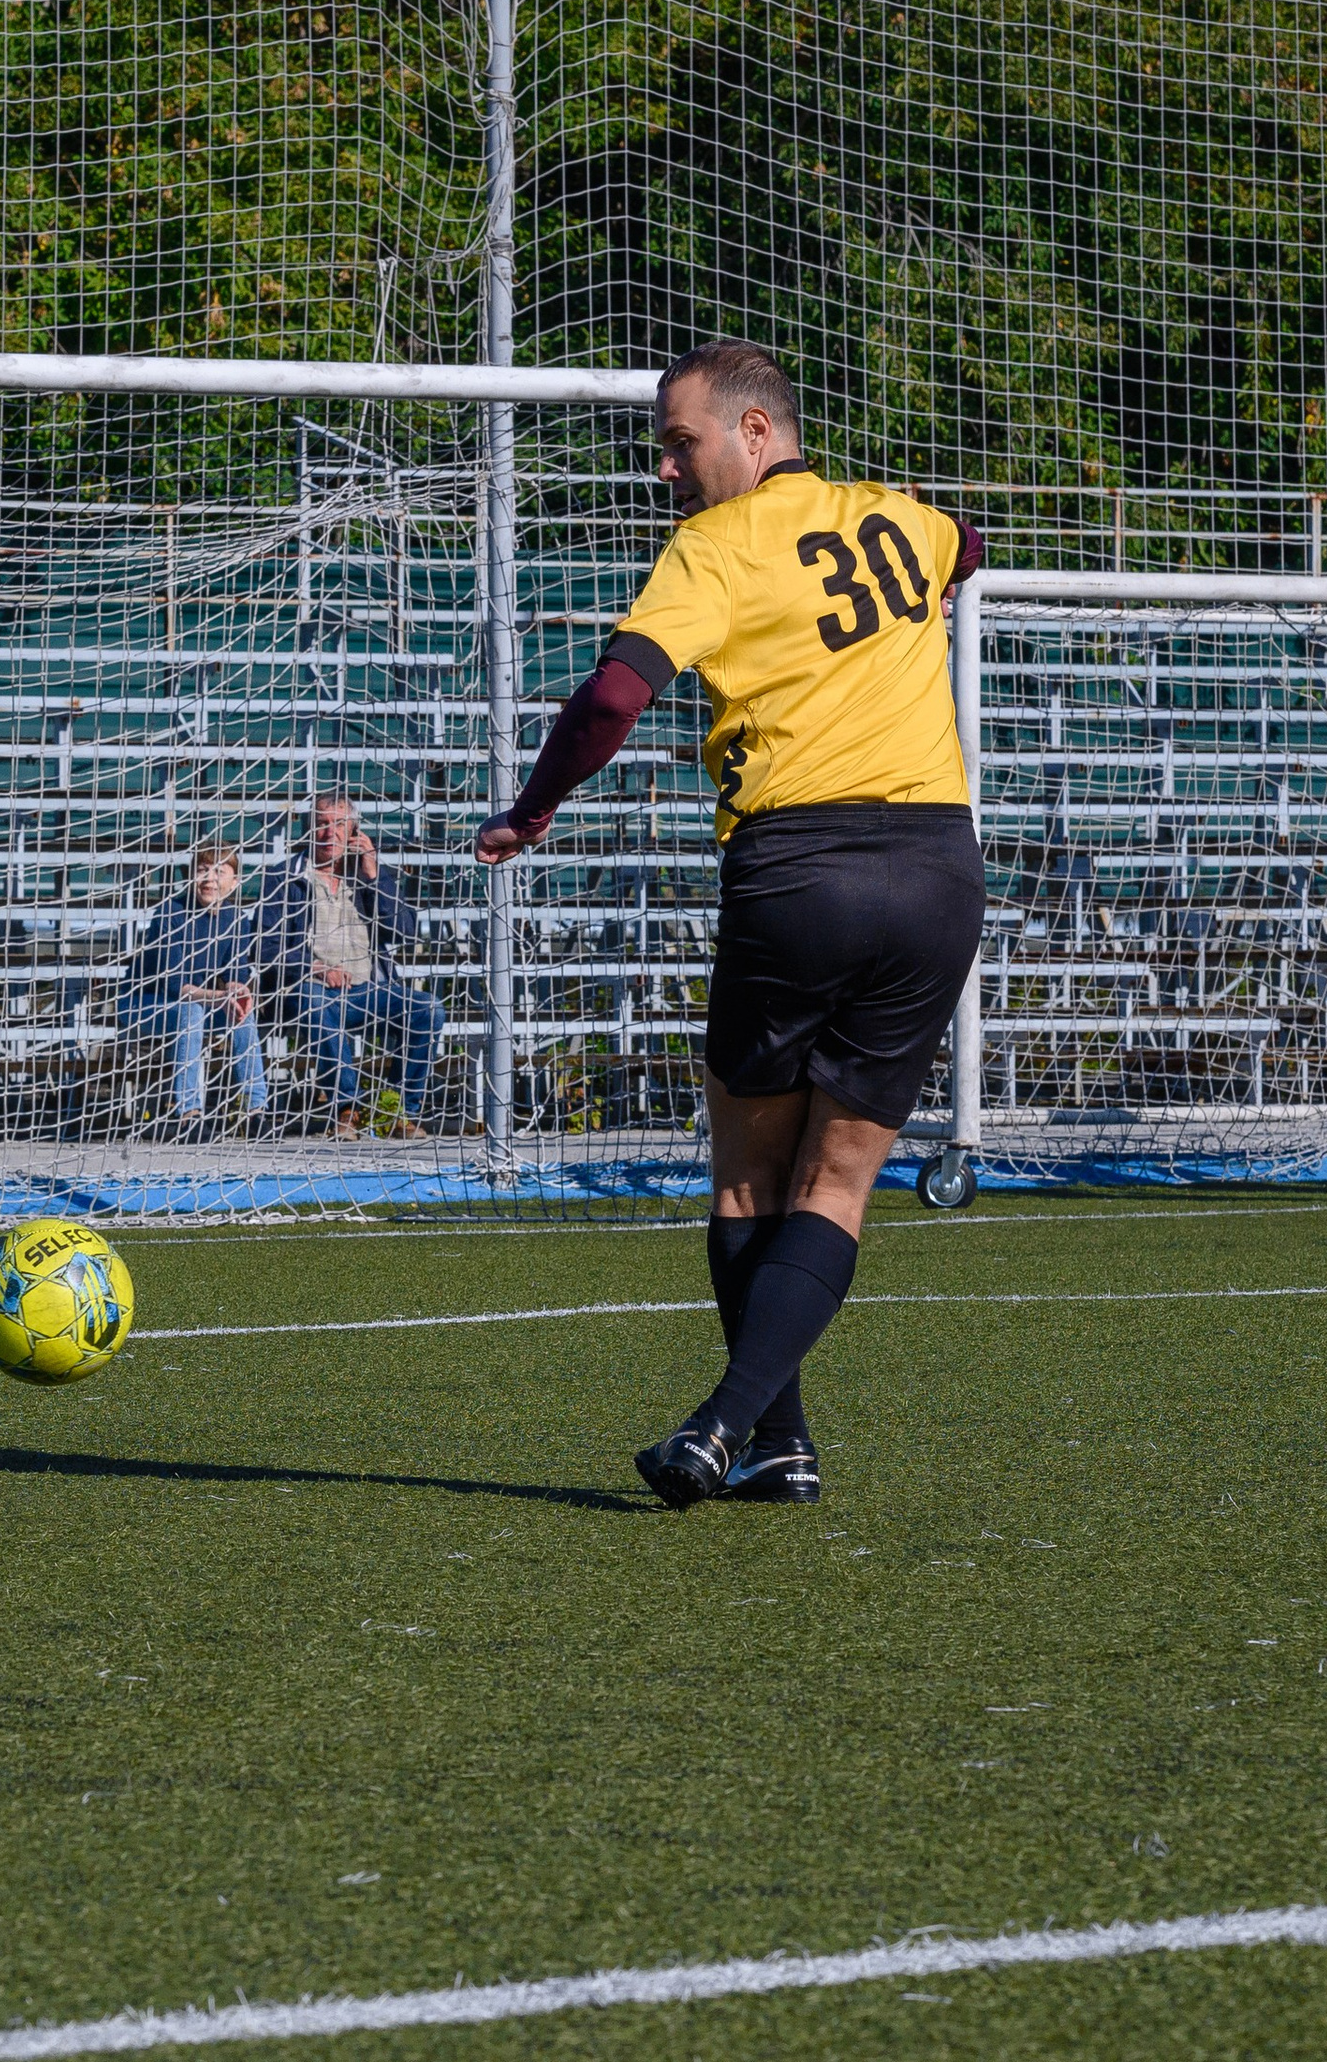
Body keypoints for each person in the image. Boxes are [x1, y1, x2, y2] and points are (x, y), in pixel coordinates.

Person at [474, 336, 985, 1509]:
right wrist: (944, 574)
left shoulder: (713, 545)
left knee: (750, 1182)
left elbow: (613, 694)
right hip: (937, 874)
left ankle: (727, 1423)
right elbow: (965, 539)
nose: (665, 467)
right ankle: (778, 1448)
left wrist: (532, 808)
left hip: (801, 871)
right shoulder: (899, 518)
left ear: (756, 433)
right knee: (836, 1186)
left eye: (679, 441)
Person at [253, 796, 440, 1137]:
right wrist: (314, 968)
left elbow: (405, 931)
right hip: (306, 992)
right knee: (313, 1000)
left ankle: (398, 1111)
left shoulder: (368, 875)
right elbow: (264, 948)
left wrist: (374, 875)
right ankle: (346, 1108)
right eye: (321, 824)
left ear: (354, 831)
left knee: (427, 1009)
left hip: (368, 992)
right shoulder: (282, 877)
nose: (329, 833)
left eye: (339, 824)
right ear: (308, 830)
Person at [123, 839, 269, 1136]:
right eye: (203, 869)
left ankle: (256, 1112)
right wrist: (221, 996)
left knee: (242, 1014)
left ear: (234, 882)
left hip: (197, 1005)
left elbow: (235, 972)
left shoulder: (236, 919)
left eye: (219, 871)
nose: (209, 879)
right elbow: (175, 985)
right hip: (143, 1003)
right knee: (191, 1011)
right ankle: (189, 1116)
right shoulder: (170, 913)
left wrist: (238, 991)